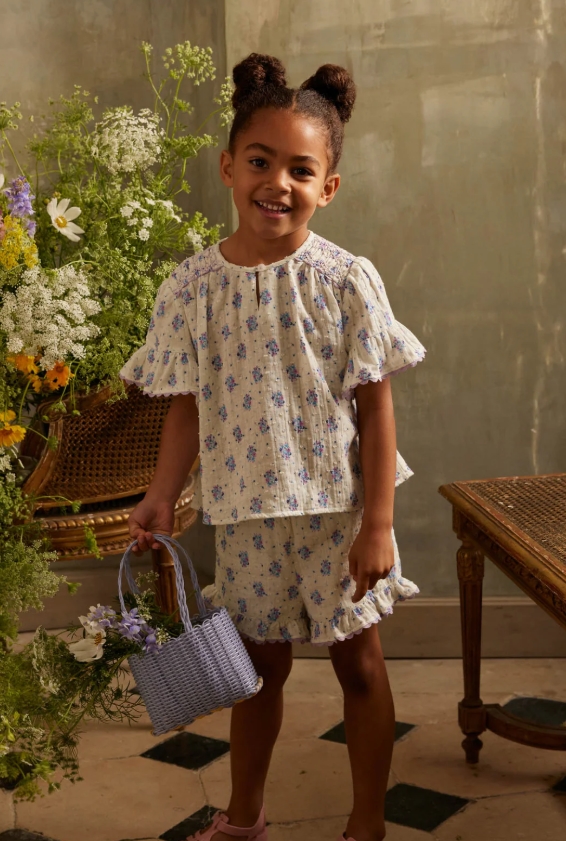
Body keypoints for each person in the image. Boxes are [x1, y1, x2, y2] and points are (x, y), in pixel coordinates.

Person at [120, 53, 426, 841]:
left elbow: (376, 405)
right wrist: (162, 492)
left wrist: (378, 523)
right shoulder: (191, 287)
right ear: (228, 166)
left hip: (339, 512)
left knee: (359, 662)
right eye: (260, 162)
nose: (277, 183)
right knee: (256, 669)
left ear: (328, 186)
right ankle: (245, 816)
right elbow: (186, 404)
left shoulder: (347, 280)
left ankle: (367, 824)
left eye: (301, 170)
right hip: (247, 512)